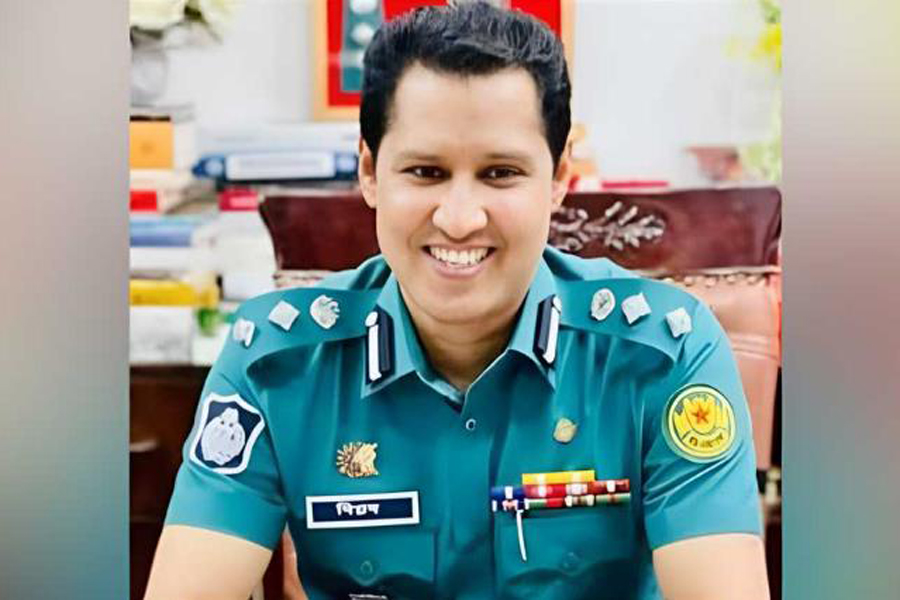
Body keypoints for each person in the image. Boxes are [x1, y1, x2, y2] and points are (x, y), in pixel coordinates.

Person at [144, 2, 770, 599]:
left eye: (500, 173)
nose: (461, 218)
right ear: (370, 172)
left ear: (559, 179)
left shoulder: (664, 355)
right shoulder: (274, 362)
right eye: (426, 172)